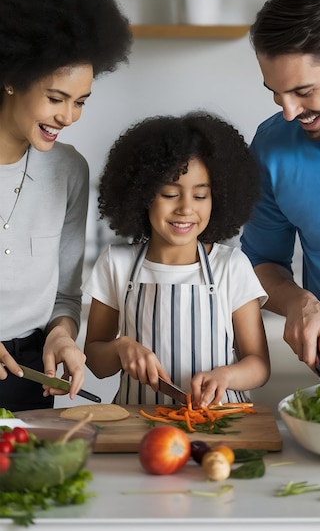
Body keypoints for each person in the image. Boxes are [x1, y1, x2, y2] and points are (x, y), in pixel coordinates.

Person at [0, 0, 132, 411]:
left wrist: (61, 334)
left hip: (30, 371)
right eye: (56, 98)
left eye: (80, 102)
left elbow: (64, 293)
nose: (69, 117)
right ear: (12, 77)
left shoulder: (70, 170)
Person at [83, 111, 270, 407]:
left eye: (200, 196)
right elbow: (95, 361)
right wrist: (121, 348)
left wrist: (225, 377)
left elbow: (258, 365)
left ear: (218, 198)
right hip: (138, 424)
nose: (185, 208)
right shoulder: (116, 263)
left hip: (221, 422)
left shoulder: (231, 266)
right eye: (170, 194)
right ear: (142, 194)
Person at [241, 0, 320, 381]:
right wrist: (295, 301)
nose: (289, 112)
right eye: (276, 92)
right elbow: (260, 262)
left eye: (303, 91)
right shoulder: (273, 148)